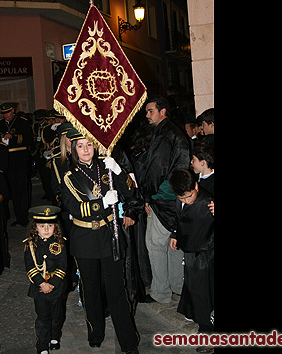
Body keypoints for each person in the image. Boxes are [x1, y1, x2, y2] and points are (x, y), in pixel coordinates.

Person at [59, 133, 140, 354]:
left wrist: (119, 171)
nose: (86, 149)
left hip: (108, 235)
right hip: (85, 239)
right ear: (73, 149)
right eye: (80, 146)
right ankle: (96, 331)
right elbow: (75, 208)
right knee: (91, 289)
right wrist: (102, 203)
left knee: (117, 291)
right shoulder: (69, 176)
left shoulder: (106, 167)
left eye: (89, 145)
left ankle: (128, 340)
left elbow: (131, 191)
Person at [138, 96, 191, 304]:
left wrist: (147, 196)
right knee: (172, 244)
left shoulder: (165, 134)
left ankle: (161, 293)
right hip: (175, 194)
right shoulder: (174, 132)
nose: (147, 116)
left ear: (163, 111)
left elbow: (157, 169)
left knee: (155, 244)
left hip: (163, 195)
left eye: (150, 111)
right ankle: (177, 286)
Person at [168, 169, 214, 353]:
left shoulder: (208, 201)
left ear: (196, 186)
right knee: (195, 294)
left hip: (207, 255)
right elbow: (179, 219)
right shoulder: (179, 200)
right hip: (191, 253)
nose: (186, 201)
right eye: (182, 198)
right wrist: (175, 234)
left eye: (189, 196)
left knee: (206, 298)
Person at [23, 205, 68, 354]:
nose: (47, 229)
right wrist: (42, 283)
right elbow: (29, 266)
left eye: (50, 225)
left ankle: (55, 336)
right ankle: (42, 344)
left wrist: (53, 284)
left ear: (56, 226)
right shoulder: (30, 244)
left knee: (56, 315)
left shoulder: (60, 242)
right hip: (39, 287)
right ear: (35, 227)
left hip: (56, 286)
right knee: (42, 317)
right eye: (42, 226)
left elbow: (63, 265)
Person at [0, 102, 34, 227]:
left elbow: (29, 139)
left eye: (7, 112)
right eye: (4, 113)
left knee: (22, 188)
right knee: (12, 189)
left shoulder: (22, 122)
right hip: (7, 159)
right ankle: (18, 215)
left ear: (13, 111)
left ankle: (23, 216)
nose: (6, 115)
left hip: (20, 158)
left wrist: (13, 137)